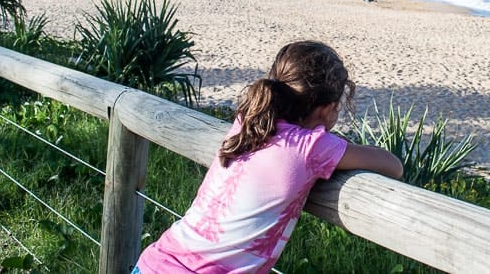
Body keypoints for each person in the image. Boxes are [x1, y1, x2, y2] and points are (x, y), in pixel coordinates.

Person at [133, 41, 403, 273]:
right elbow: (393, 165)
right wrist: (333, 141)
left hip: (154, 262)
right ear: (328, 108)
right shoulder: (311, 147)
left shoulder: (247, 122)